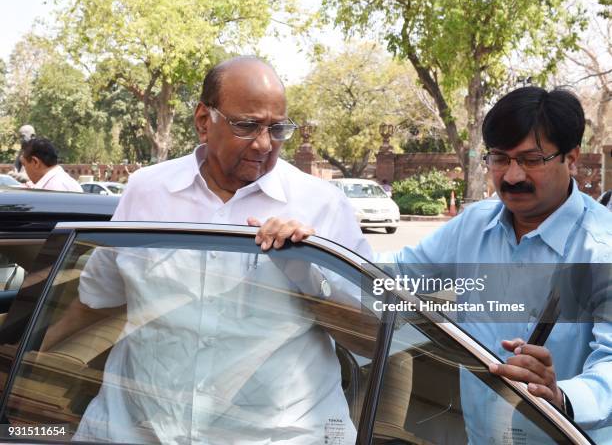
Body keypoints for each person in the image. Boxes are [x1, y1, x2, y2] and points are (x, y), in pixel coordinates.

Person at [255, 86, 612, 442]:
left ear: (572, 158)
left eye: (531, 160)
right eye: (500, 158)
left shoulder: (600, 248)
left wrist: (561, 396)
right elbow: (391, 279)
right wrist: (310, 253)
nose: (513, 176)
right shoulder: (475, 225)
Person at [43, 56, 371, 444]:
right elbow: (98, 297)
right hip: (135, 428)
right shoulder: (147, 191)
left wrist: (309, 271)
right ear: (203, 120)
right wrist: (31, 361)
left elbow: (372, 338)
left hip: (279, 436)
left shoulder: (321, 204)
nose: (265, 144)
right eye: (247, 126)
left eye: (278, 128)